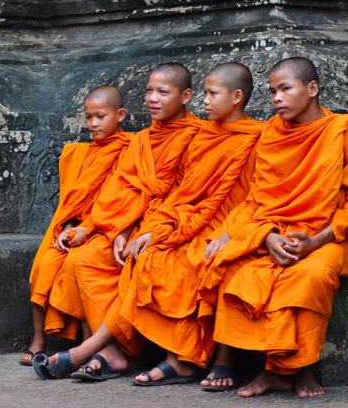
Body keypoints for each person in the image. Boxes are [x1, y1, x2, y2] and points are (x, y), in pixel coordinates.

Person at [68, 64, 264, 384]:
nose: (205, 102)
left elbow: (257, 195)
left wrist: (229, 232)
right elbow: (185, 195)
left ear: (237, 97)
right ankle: (118, 349)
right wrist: (137, 229)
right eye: (149, 91)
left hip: (230, 223)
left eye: (211, 94)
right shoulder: (202, 135)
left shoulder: (254, 136)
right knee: (143, 255)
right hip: (181, 217)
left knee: (183, 262)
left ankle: (175, 359)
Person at [199, 56, 348, 399]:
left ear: (312, 89)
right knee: (236, 266)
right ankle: (238, 363)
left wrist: (317, 240)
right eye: (272, 91)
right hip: (274, 229)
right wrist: (266, 237)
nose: (276, 98)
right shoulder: (272, 134)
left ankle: (299, 370)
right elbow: (258, 198)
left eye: (285, 89)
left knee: (310, 276)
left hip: (328, 235)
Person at [37, 63, 200, 379]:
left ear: (186, 96)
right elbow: (121, 191)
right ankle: (111, 352)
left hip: (170, 223)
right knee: (83, 258)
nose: (152, 98)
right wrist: (112, 229)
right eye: (150, 90)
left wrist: (149, 230)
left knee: (140, 263)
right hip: (131, 222)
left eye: (162, 92)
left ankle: (94, 349)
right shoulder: (141, 141)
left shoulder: (199, 137)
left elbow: (190, 195)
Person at [21, 85, 130, 366]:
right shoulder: (78, 154)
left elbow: (122, 201)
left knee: (77, 263)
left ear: (120, 115)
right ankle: (38, 339)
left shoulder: (129, 150)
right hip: (75, 227)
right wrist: (67, 226)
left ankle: (88, 344)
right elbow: (73, 199)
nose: (93, 124)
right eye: (89, 117)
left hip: (106, 227)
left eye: (100, 117)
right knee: (45, 262)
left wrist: (89, 229)